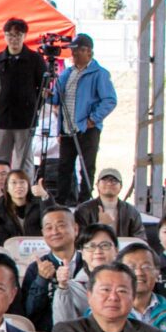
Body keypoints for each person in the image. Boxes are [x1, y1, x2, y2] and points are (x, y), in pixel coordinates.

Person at [51, 33, 116, 206]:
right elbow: (57, 97)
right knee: (64, 166)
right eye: (73, 51)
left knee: (87, 166)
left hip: (87, 128)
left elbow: (109, 100)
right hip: (67, 127)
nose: (73, 55)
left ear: (88, 52)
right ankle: (61, 201)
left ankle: (85, 201)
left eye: (77, 51)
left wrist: (93, 119)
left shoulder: (99, 74)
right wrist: (50, 97)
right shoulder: (67, 73)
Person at [14, 206, 89, 332]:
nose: (54, 232)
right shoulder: (36, 268)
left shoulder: (89, 263)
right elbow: (29, 312)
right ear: (43, 233)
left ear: (75, 229)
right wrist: (41, 280)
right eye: (49, 228)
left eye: (61, 225)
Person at [0, 18, 45, 173]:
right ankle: (1, 192)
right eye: (10, 35)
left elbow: (43, 88)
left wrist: (35, 107)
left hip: (26, 119)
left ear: (24, 36)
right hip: (2, 118)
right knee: (1, 159)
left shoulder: (35, 59)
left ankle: (25, 192)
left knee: (24, 159)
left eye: (18, 35)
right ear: (4, 36)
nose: (14, 39)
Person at [72, 168, 144, 241]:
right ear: (97, 185)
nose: (109, 183)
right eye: (105, 180)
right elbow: (78, 240)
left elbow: (140, 240)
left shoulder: (131, 212)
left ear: (121, 186)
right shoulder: (83, 210)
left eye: (114, 180)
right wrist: (100, 225)